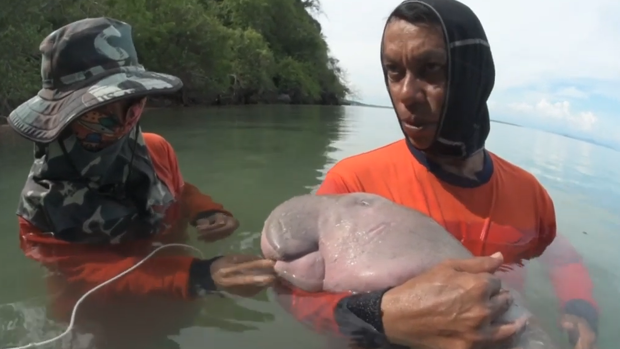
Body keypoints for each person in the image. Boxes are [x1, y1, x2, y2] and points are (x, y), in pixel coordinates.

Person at [274, 1, 599, 349]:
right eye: (394, 71)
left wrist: (579, 308)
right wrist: (380, 315)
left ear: (472, 74)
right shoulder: (354, 184)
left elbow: (561, 256)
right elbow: (288, 290)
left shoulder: (529, 193)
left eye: (430, 69)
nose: (405, 94)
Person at [8, 17, 275, 347]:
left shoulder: (153, 148)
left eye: (129, 104)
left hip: (175, 299)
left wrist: (205, 211)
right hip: (98, 323)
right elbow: (84, 273)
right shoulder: (41, 206)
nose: (131, 112)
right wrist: (197, 276)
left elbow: (179, 189)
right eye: (94, 110)